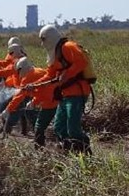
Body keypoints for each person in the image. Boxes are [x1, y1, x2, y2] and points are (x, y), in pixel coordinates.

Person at [26, 24, 93, 153]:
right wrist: (34, 85)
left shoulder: (68, 47)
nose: (42, 43)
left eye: (43, 39)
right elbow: (49, 76)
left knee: (73, 128)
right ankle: (69, 151)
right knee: (58, 127)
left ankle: (86, 154)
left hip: (77, 93)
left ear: (50, 37)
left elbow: (82, 62)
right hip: (65, 95)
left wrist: (66, 74)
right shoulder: (55, 54)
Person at [0, 57, 58, 145]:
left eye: (19, 71)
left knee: (40, 126)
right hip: (57, 99)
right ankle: (43, 140)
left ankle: (40, 146)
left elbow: (18, 97)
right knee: (48, 124)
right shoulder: (39, 71)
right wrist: (33, 102)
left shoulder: (27, 78)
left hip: (50, 103)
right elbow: (43, 91)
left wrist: (8, 110)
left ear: (22, 68)